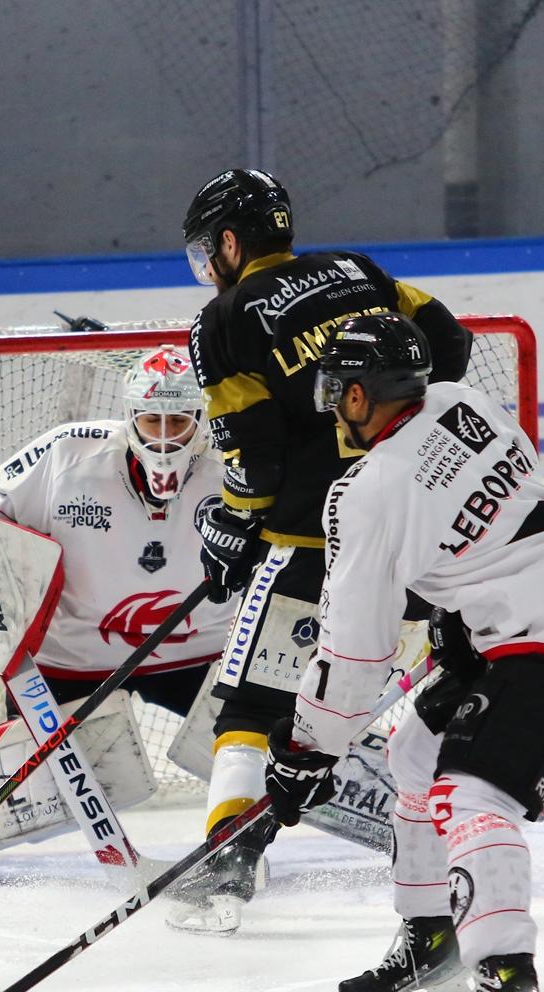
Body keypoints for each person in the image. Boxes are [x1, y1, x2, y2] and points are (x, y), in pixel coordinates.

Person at [261, 312, 544, 992]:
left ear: (357, 397)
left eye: (335, 389)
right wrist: (460, 618)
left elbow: (356, 650)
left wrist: (307, 749)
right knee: (415, 752)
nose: (328, 403)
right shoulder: (464, 404)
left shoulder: (366, 492)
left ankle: (508, 987)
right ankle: (431, 943)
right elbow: (488, 525)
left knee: (475, 794)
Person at [172, 168, 474, 934]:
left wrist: (234, 525)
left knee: (252, 704)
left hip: (311, 539)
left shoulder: (225, 319)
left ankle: (228, 867)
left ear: (231, 243)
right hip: (427, 528)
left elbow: (253, 454)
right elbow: (451, 346)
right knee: (437, 699)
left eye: (210, 250)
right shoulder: (358, 270)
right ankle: (457, 859)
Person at [0, 345, 233, 715]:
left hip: (199, 656)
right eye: (151, 420)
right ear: (130, 417)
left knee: (255, 758)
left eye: (177, 421)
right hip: (73, 659)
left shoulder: (230, 469)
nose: (164, 436)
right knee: (44, 773)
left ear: (198, 419)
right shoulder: (68, 450)